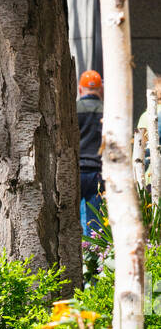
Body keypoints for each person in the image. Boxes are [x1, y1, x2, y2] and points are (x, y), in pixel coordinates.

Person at [76, 70, 104, 235]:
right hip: (98, 172)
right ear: (101, 90)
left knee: (70, 219)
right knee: (95, 224)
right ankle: (94, 256)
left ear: (80, 89)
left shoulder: (73, 108)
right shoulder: (107, 110)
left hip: (76, 170)